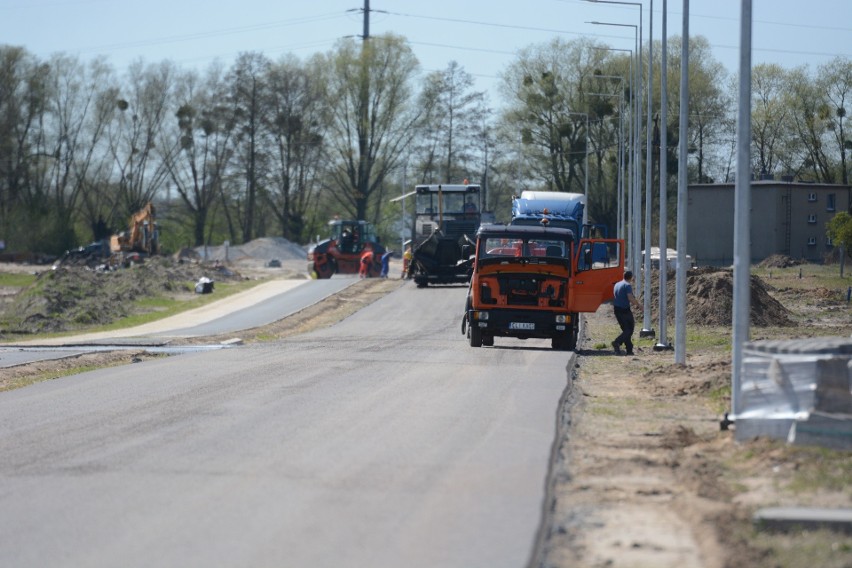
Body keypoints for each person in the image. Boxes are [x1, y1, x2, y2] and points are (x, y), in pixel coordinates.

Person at [611, 270, 643, 356]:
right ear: (631, 277)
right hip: (624, 310)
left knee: (626, 330)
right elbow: (630, 297)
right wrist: (639, 305)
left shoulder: (617, 284)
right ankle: (617, 342)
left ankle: (629, 349)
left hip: (617, 309)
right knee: (630, 329)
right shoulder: (627, 285)